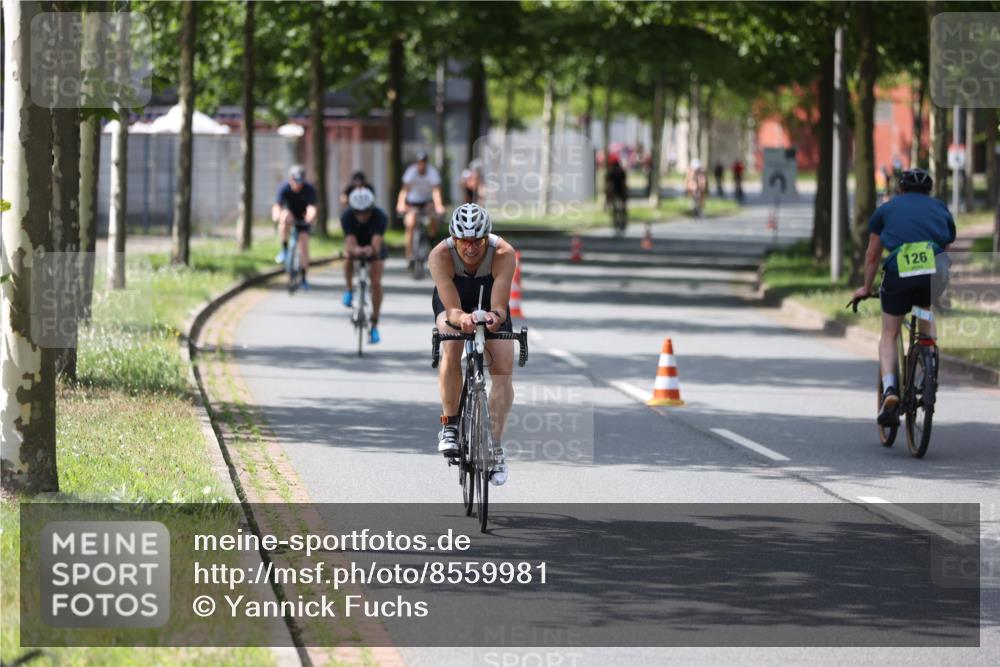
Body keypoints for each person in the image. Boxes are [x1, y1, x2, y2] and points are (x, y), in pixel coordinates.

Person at [852, 168, 956, 426]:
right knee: (925, 306)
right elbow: (945, 251)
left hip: (900, 269)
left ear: (901, 189)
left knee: (890, 334)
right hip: (934, 270)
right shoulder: (941, 209)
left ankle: (890, 390)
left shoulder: (886, 209)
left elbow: (872, 256)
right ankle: (928, 358)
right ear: (928, 191)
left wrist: (866, 288)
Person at [430, 203, 517, 486]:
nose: (470, 248)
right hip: (454, 301)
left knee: (503, 366)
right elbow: (452, 309)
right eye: (464, 241)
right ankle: (450, 425)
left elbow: (500, 307)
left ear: (486, 238)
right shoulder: (440, 255)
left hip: (490, 300)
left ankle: (495, 444)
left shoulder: (504, 253)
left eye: (477, 241)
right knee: (451, 343)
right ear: (454, 240)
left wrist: (494, 318)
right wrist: (461, 318)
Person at [341, 187, 388, 344]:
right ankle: (348, 289)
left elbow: (376, 242)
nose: (361, 216)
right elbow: (350, 240)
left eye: (365, 212)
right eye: (358, 212)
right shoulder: (346, 216)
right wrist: (355, 250)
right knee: (347, 257)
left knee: (375, 282)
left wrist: (371, 250)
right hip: (356, 242)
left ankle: (374, 324)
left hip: (374, 244)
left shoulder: (380, 217)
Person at [396, 151, 445, 268]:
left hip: (428, 202)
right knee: (410, 224)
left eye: (423, 162)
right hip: (413, 202)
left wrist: (438, 205)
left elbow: (436, 191)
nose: (421, 165)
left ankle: (431, 240)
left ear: (426, 163)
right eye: (419, 162)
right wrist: (400, 204)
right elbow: (404, 190)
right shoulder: (411, 172)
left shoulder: (432, 173)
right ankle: (410, 255)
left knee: (433, 221)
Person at [273, 165, 318, 289]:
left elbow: (312, 208)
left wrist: (310, 217)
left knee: (304, 244)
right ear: (290, 179)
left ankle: (304, 278)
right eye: (295, 180)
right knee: (284, 218)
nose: (297, 184)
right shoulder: (284, 188)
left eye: (300, 181)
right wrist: (276, 216)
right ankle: (284, 249)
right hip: (289, 216)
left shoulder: (309, 189)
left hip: (303, 218)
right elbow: (277, 206)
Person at [605, 154, 628, 233]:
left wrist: (608, 194)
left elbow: (608, 184)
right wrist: (625, 192)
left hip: (615, 192)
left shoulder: (610, 172)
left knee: (615, 209)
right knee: (622, 208)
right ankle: (622, 223)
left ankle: (616, 223)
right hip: (620, 192)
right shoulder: (621, 171)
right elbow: (624, 183)